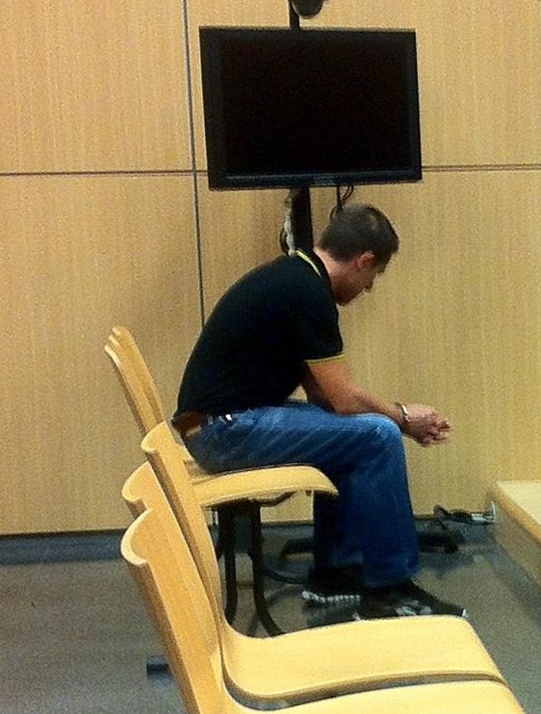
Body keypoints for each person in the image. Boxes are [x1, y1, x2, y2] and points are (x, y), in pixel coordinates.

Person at [173, 202, 464, 620]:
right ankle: (390, 588)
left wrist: (390, 417)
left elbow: (327, 399)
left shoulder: (297, 278)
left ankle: (335, 572)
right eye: (375, 275)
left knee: (353, 432)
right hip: (223, 433)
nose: (369, 288)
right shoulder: (308, 293)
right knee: (378, 436)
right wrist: (403, 418)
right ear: (364, 260)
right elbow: (344, 398)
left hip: (218, 427)